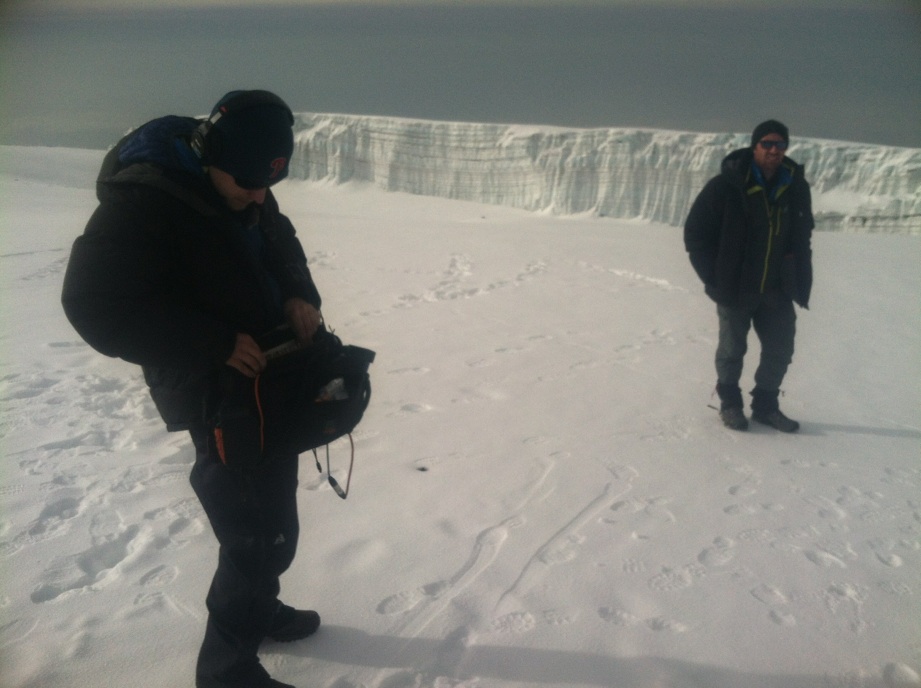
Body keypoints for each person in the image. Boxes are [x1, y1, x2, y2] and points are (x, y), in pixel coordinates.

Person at [62, 90, 323, 688]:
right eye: (248, 184)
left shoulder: (245, 175)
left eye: (268, 184)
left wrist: (298, 293)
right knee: (253, 534)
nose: (259, 196)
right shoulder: (144, 204)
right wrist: (213, 343)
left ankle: (258, 608)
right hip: (214, 393)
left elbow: (280, 245)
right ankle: (227, 670)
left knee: (274, 522)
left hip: (268, 382)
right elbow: (92, 305)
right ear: (210, 155)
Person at [684, 119, 814, 432]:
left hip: (777, 289)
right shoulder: (726, 185)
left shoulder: (795, 186)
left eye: (780, 144)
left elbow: (803, 233)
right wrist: (713, 278)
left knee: (781, 350)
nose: (774, 150)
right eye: (767, 143)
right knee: (731, 351)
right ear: (754, 146)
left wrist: (796, 272)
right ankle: (730, 403)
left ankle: (766, 406)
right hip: (735, 288)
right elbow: (696, 235)